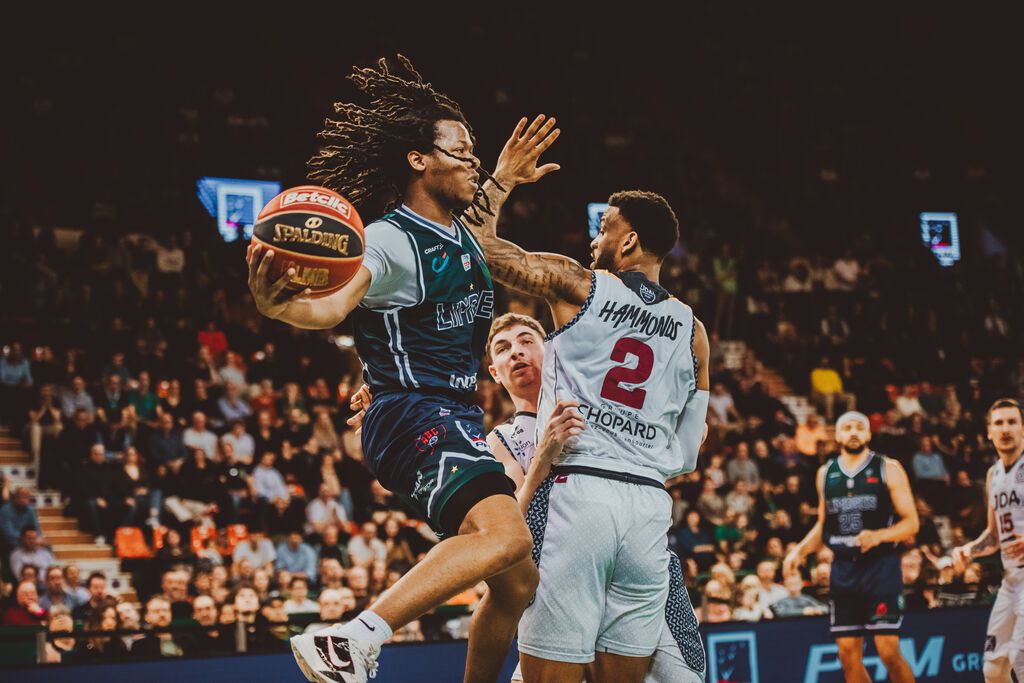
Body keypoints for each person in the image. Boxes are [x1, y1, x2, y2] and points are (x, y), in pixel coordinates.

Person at [249, 57, 539, 683]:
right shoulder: (389, 239)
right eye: (460, 152)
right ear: (418, 160)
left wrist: (505, 179)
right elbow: (334, 305)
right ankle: (351, 640)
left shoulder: (456, 233)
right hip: (416, 413)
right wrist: (281, 307)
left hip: (439, 411)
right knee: (509, 538)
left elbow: (478, 227)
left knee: (518, 584)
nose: (473, 162)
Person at [467, 119, 710, 683]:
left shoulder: (579, 283)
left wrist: (502, 180)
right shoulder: (694, 330)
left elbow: (476, 245)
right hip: (649, 509)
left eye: (603, 228)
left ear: (628, 242)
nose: (594, 240)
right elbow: (689, 452)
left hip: (579, 494)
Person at [482, 313, 707, 683]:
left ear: (550, 349)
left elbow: (680, 449)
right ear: (495, 372)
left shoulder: (601, 398)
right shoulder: (500, 441)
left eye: (526, 341)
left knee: (685, 678)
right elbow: (507, 531)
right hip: (558, 575)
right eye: (504, 348)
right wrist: (542, 460)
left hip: (636, 556)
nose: (516, 352)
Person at [784, 411, 919, 683]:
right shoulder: (825, 473)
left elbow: (912, 523)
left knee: (888, 651)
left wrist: (879, 536)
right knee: (847, 655)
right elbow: (823, 526)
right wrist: (798, 551)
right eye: (847, 428)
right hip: (844, 570)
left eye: (859, 427)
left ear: (868, 434)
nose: (853, 432)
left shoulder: (888, 468)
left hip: (880, 568)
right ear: (837, 435)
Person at [952, 399, 1024, 682]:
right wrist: (969, 550)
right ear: (988, 432)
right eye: (999, 423)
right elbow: (993, 536)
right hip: (1011, 582)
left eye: (1012, 422)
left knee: (1020, 662)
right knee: (993, 670)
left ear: (1023, 428)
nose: (1005, 429)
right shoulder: (993, 474)